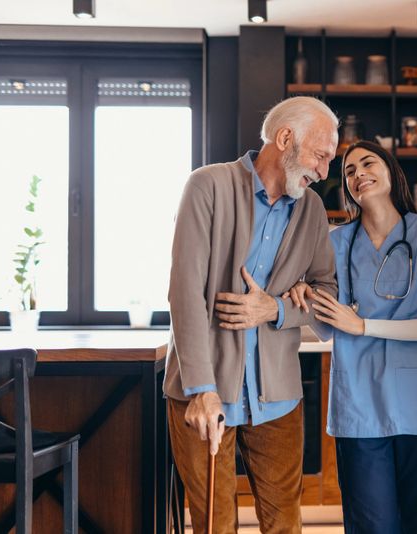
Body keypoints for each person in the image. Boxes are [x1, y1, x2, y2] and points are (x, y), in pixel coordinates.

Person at [163, 96, 339, 534]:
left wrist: (275, 308)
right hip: (206, 394)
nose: (325, 172)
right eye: (321, 156)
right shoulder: (208, 186)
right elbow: (185, 293)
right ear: (285, 139)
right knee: (214, 526)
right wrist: (201, 389)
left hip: (278, 398)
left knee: (284, 526)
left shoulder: (313, 210)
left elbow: (327, 296)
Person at [286, 140, 417, 533]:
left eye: (367, 163)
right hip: (359, 409)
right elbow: (326, 325)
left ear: (391, 172)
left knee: (415, 525)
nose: (357, 174)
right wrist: (306, 299)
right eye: (348, 171)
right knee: (371, 526)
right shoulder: (335, 244)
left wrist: (363, 326)